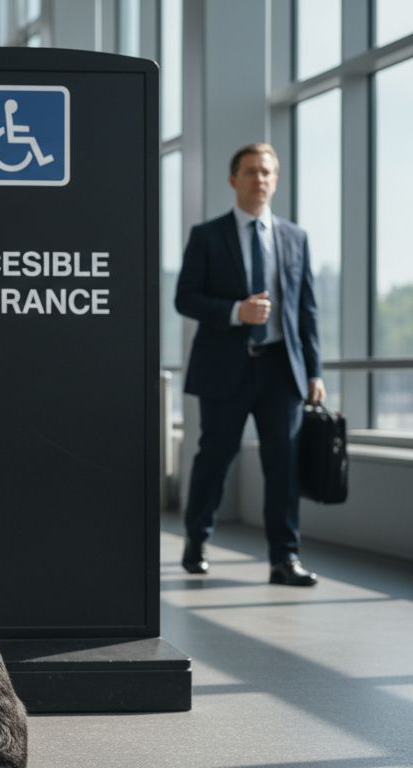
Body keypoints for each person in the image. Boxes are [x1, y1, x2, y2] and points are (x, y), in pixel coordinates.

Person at [175, 142, 326, 587]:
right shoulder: (207, 235)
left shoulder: (295, 237)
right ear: (233, 180)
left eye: (266, 172)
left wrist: (314, 372)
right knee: (215, 459)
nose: (259, 179)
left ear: (275, 180)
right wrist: (235, 311)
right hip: (226, 366)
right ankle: (196, 541)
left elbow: (307, 311)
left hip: (282, 369)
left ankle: (285, 558)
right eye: (250, 171)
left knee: (283, 465)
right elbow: (185, 297)